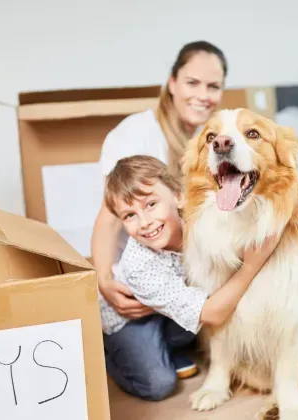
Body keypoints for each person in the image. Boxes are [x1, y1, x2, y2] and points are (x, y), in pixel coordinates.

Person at [91, 40, 227, 385]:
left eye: (213, 86)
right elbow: (108, 219)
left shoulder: (204, 139)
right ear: (172, 83)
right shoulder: (137, 134)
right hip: (134, 285)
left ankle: (167, 342)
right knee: (157, 383)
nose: (203, 94)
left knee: (214, 314)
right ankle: (116, 350)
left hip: (173, 278)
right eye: (193, 83)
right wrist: (104, 281)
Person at [100, 155, 279, 400]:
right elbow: (212, 313)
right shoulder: (139, 265)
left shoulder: (198, 220)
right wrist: (252, 265)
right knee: (158, 384)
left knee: (204, 311)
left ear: (179, 196)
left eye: (151, 204)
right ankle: (113, 356)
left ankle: (165, 347)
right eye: (129, 215)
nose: (144, 222)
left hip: (169, 308)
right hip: (130, 318)